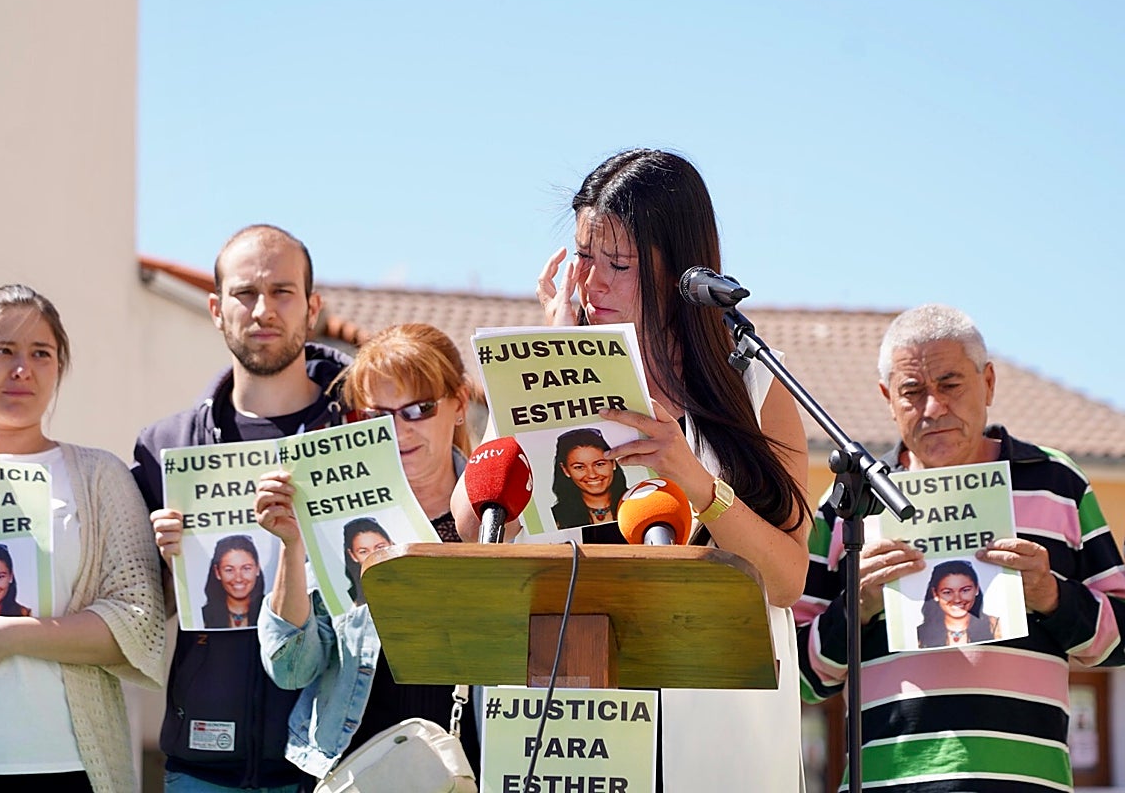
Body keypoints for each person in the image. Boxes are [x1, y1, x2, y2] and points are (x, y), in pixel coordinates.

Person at [455, 148, 812, 791]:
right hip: (569, 725)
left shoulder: (754, 385)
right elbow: (469, 523)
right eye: (583, 257)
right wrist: (541, 363)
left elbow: (787, 580)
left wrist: (694, 480)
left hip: (715, 730)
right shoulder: (544, 360)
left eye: (618, 265)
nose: (593, 284)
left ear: (680, 271)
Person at [796, 303, 1125, 792]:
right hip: (889, 784)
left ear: (988, 383)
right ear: (888, 399)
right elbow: (800, 678)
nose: (933, 408)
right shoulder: (849, 503)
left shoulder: (1058, 483)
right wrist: (856, 608)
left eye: (950, 385)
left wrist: (1053, 597)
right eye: (912, 392)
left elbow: (1121, 639)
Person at [132, 224, 351, 792]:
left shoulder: (361, 434)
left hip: (330, 767)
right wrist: (168, 565)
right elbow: (140, 613)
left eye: (282, 292)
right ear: (216, 308)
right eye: (245, 293)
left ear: (313, 307)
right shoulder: (164, 447)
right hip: (201, 768)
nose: (262, 310)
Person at [0, 284, 165, 793]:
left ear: (59, 368)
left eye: (41, 353)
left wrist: (16, 635)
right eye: (3, 351)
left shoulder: (100, 476)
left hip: (72, 768)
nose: (22, 369)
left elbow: (138, 619)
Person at [254, 322, 481, 782]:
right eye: (376, 416)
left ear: (459, 404)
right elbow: (291, 668)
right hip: (358, 767)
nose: (398, 429)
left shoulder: (501, 512)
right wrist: (292, 544)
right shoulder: (333, 517)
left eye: (418, 409)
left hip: (475, 762)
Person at [550, 427, 628, 528]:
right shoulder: (554, 519)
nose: (592, 475)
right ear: (565, 470)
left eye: (599, 464)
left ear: (613, 463)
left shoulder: (638, 503)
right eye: (579, 467)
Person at [916, 559, 1001, 648]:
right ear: (935, 594)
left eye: (965, 590)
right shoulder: (920, 634)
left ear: (976, 589)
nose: (957, 599)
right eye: (947, 592)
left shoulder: (996, 627)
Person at [202, 535, 265, 630]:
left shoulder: (274, 612)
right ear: (217, 572)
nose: (238, 578)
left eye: (246, 568)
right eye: (229, 570)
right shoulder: (201, 617)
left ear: (257, 568)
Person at [341, 517, 392, 606]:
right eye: (363, 552)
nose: (374, 556)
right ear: (353, 555)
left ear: (391, 544)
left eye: (380, 547)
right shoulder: (352, 603)